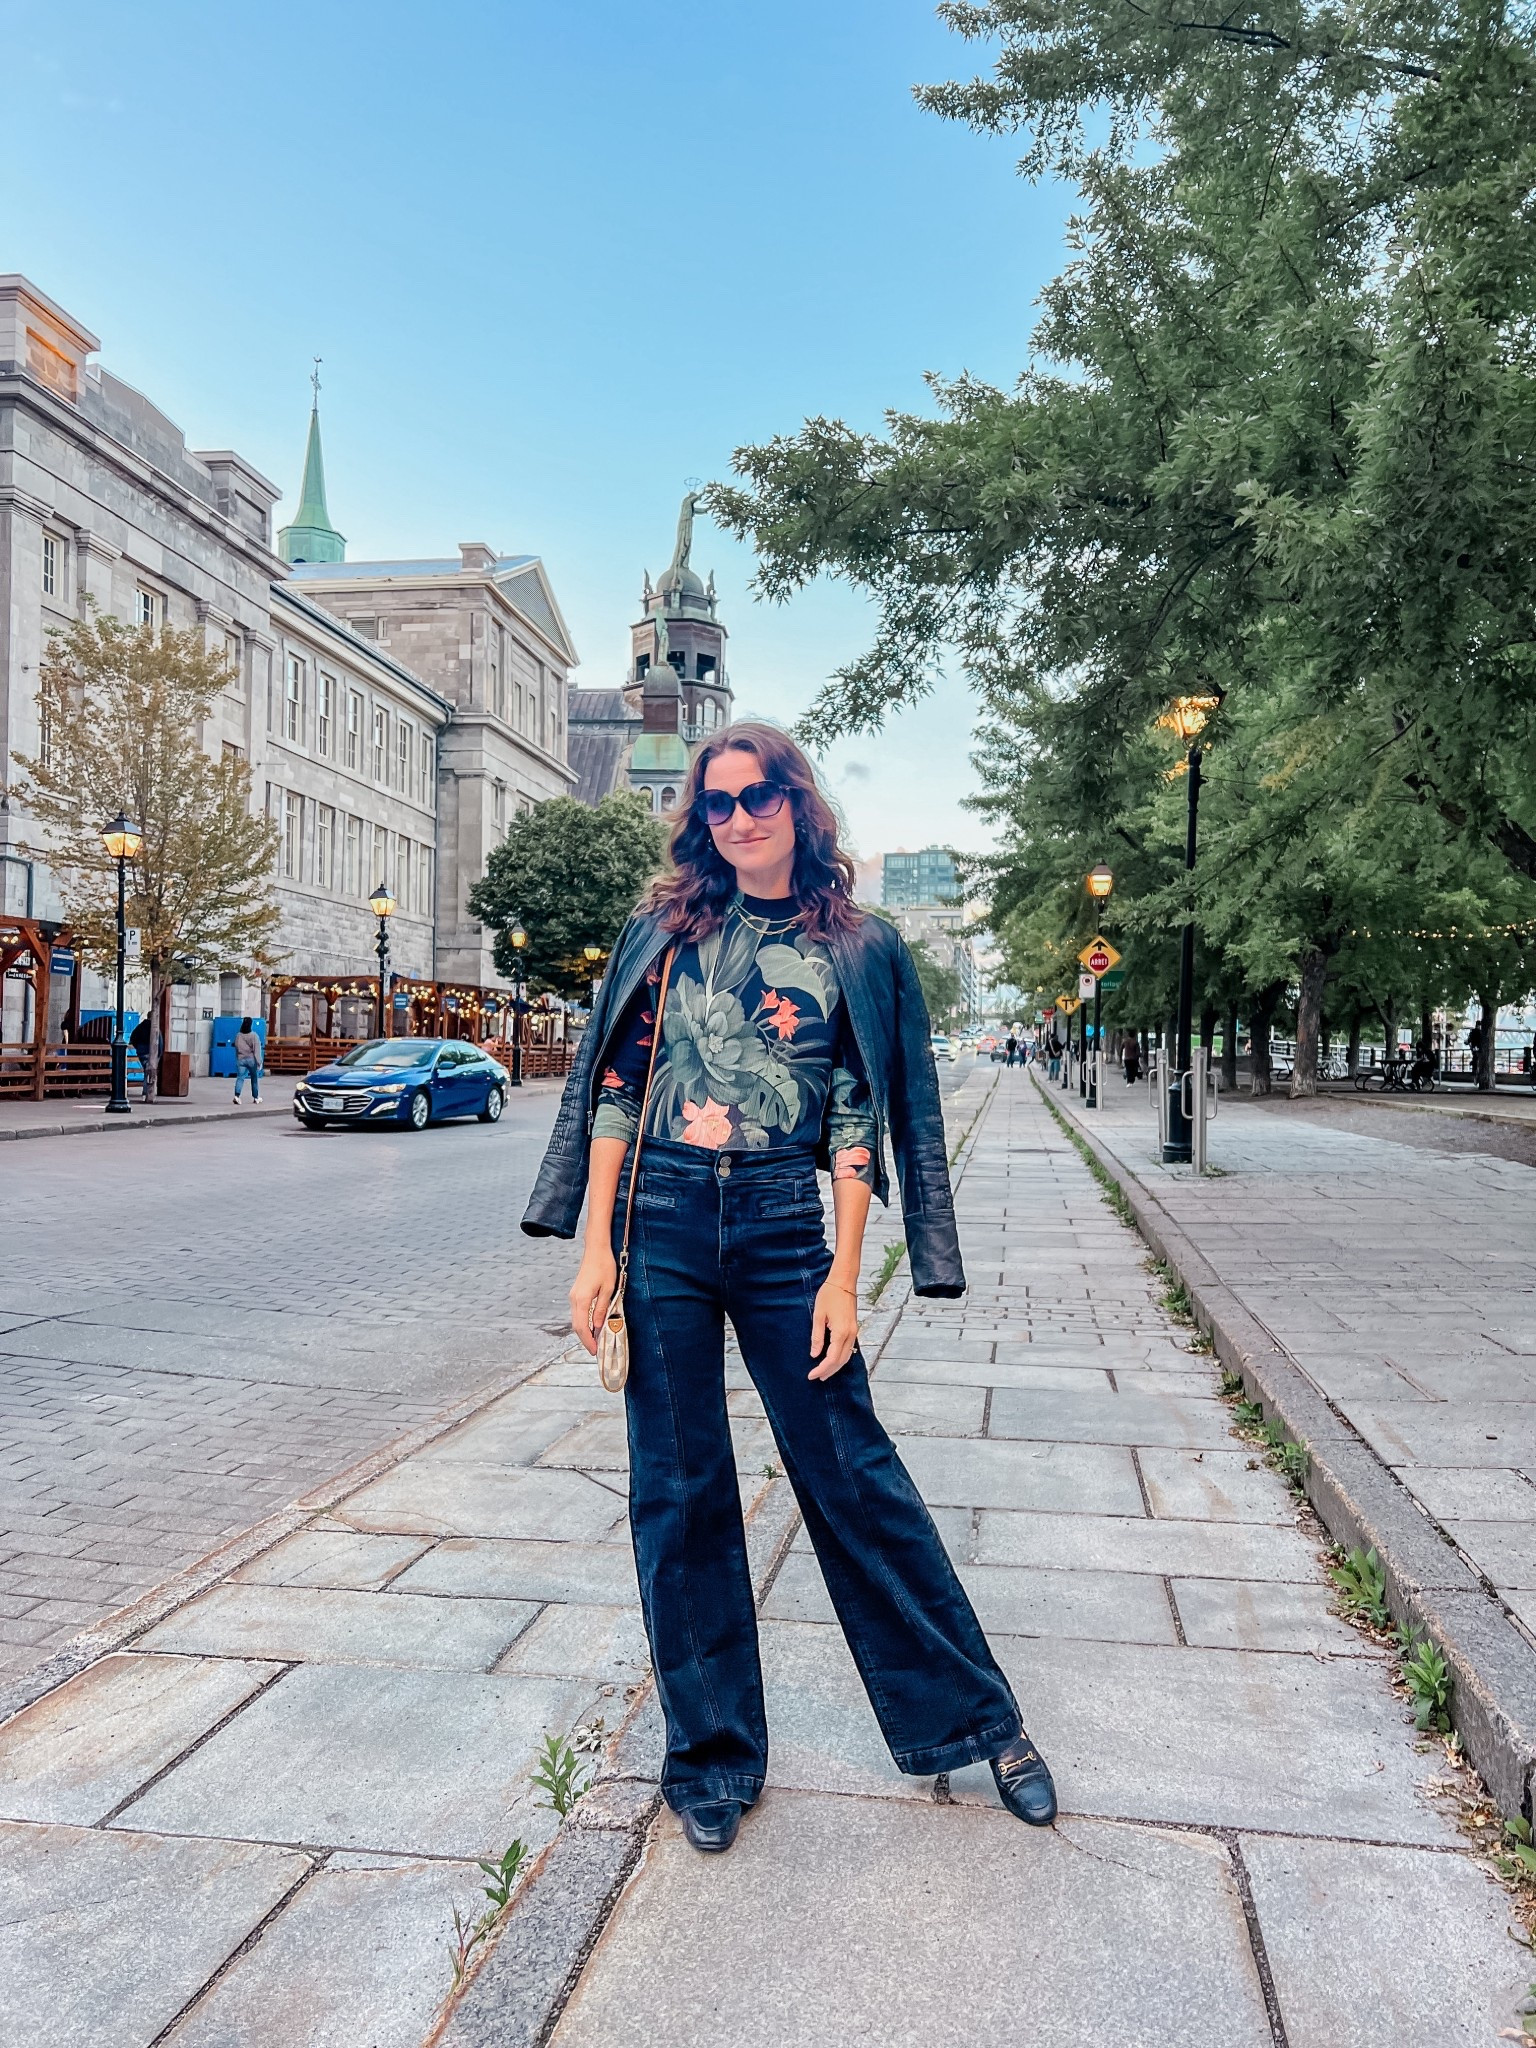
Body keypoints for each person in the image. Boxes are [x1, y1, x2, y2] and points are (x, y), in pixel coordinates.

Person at [524, 721, 1055, 1855]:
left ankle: (980, 1717)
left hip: (777, 1223)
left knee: (852, 1470)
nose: (739, 816)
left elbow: (859, 1115)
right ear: (700, 821)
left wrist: (845, 1279)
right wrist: (594, 1249)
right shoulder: (665, 932)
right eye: (717, 802)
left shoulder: (857, 944)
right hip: (659, 1216)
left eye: (758, 794)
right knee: (679, 1488)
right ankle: (711, 1754)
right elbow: (618, 1085)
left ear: (798, 804)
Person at [232, 1017, 263, 1103]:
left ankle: (237, 1096)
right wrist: (259, 1062)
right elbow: (257, 1051)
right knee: (254, 1078)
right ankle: (256, 1097)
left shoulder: (238, 1035)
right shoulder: (254, 1036)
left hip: (241, 1059)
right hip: (251, 1060)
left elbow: (236, 1047)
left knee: (240, 1078)